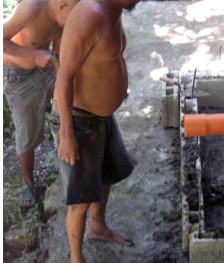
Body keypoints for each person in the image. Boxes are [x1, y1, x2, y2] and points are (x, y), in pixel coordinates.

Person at [52, 0, 142, 262]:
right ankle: (76, 258)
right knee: (80, 200)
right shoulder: (91, 14)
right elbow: (63, 79)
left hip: (100, 118)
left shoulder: (113, 10)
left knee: (105, 178)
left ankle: (98, 227)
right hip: (79, 120)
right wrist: (67, 134)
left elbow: (105, 59)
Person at [3, 0, 78, 207]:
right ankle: (28, 184)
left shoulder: (65, 15)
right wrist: (33, 55)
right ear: (62, 4)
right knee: (27, 130)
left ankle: (69, 151)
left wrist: (64, 81)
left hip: (47, 64)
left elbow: (61, 54)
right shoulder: (31, 8)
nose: (76, 19)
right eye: (74, 13)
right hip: (18, 76)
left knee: (75, 97)